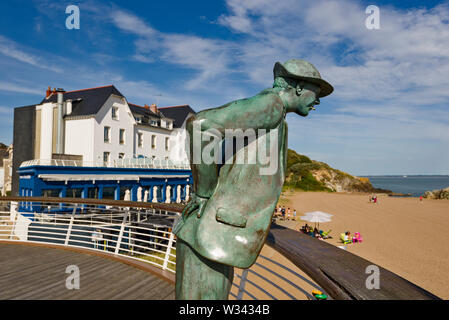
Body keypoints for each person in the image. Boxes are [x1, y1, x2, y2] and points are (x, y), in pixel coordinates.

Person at [172, 59, 333, 300]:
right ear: (299, 87)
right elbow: (201, 127)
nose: (318, 100)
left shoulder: (272, 112)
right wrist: (203, 193)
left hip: (213, 236)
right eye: (316, 92)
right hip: (207, 237)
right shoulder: (271, 105)